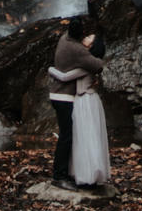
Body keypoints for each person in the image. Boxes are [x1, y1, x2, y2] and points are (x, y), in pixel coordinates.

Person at [43, 16, 103, 186]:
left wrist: (50, 69)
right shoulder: (79, 51)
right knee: (67, 136)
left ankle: (66, 172)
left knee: (68, 135)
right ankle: (59, 175)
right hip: (64, 97)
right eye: (85, 33)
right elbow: (98, 65)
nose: (87, 35)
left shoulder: (64, 38)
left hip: (58, 95)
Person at [69, 30, 111, 188]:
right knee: (86, 135)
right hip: (87, 100)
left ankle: (90, 173)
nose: (84, 37)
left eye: (89, 38)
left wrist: (52, 71)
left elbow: (68, 76)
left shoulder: (89, 62)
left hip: (85, 101)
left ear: (92, 46)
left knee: (87, 136)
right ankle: (87, 172)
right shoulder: (90, 60)